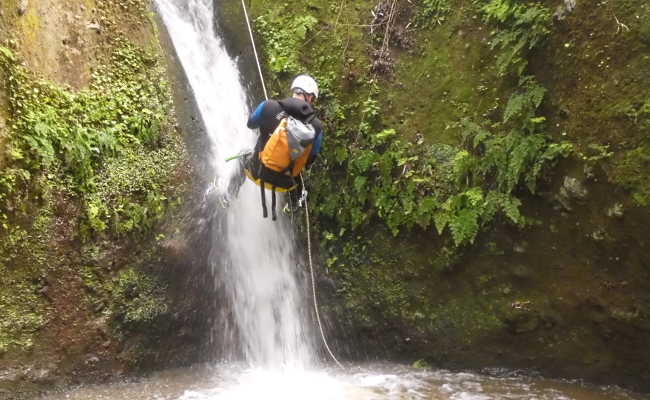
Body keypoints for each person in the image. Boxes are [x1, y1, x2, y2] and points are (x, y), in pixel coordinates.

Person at [243, 74, 324, 219]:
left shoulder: (269, 106)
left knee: (243, 155)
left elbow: (250, 124)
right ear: (310, 97)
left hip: (257, 173)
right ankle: (295, 202)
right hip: (285, 184)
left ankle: (227, 195)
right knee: (298, 171)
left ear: (294, 91)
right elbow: (310, 160)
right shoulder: (316, 127)